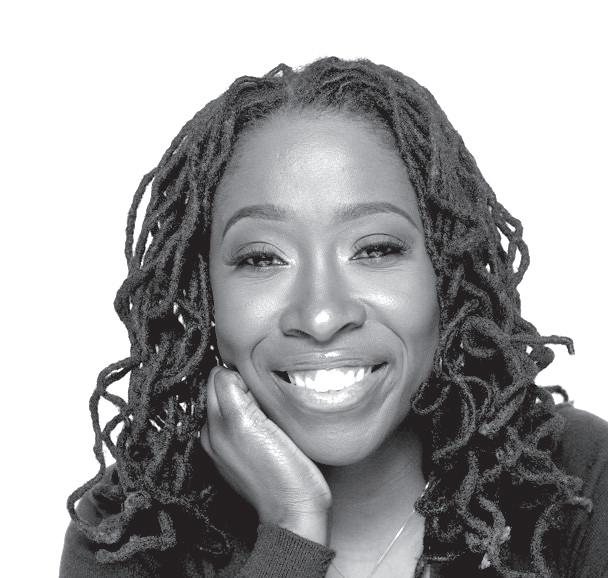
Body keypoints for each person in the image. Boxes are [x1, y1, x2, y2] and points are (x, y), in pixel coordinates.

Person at [59, 57, 608, 578]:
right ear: (201, 296)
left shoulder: (580, 482)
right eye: (262, 258)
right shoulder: (128, 536)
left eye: (375, 249)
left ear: (447, 274)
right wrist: (290, 530)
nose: (321, 316)